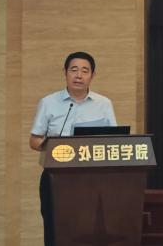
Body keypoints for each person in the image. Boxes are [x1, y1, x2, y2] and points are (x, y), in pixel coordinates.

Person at [29, 51, 117, 246]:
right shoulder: (48, 103)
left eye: (85, 71)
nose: (79, 75)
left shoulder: (104, 104)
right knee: (55, 229)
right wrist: (49, 144)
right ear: (65, 73)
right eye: (74, 70)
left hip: (93, 180)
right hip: (56, 177)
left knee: (90, 230)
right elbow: (34, 141)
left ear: (92, 75)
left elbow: (114, 141)